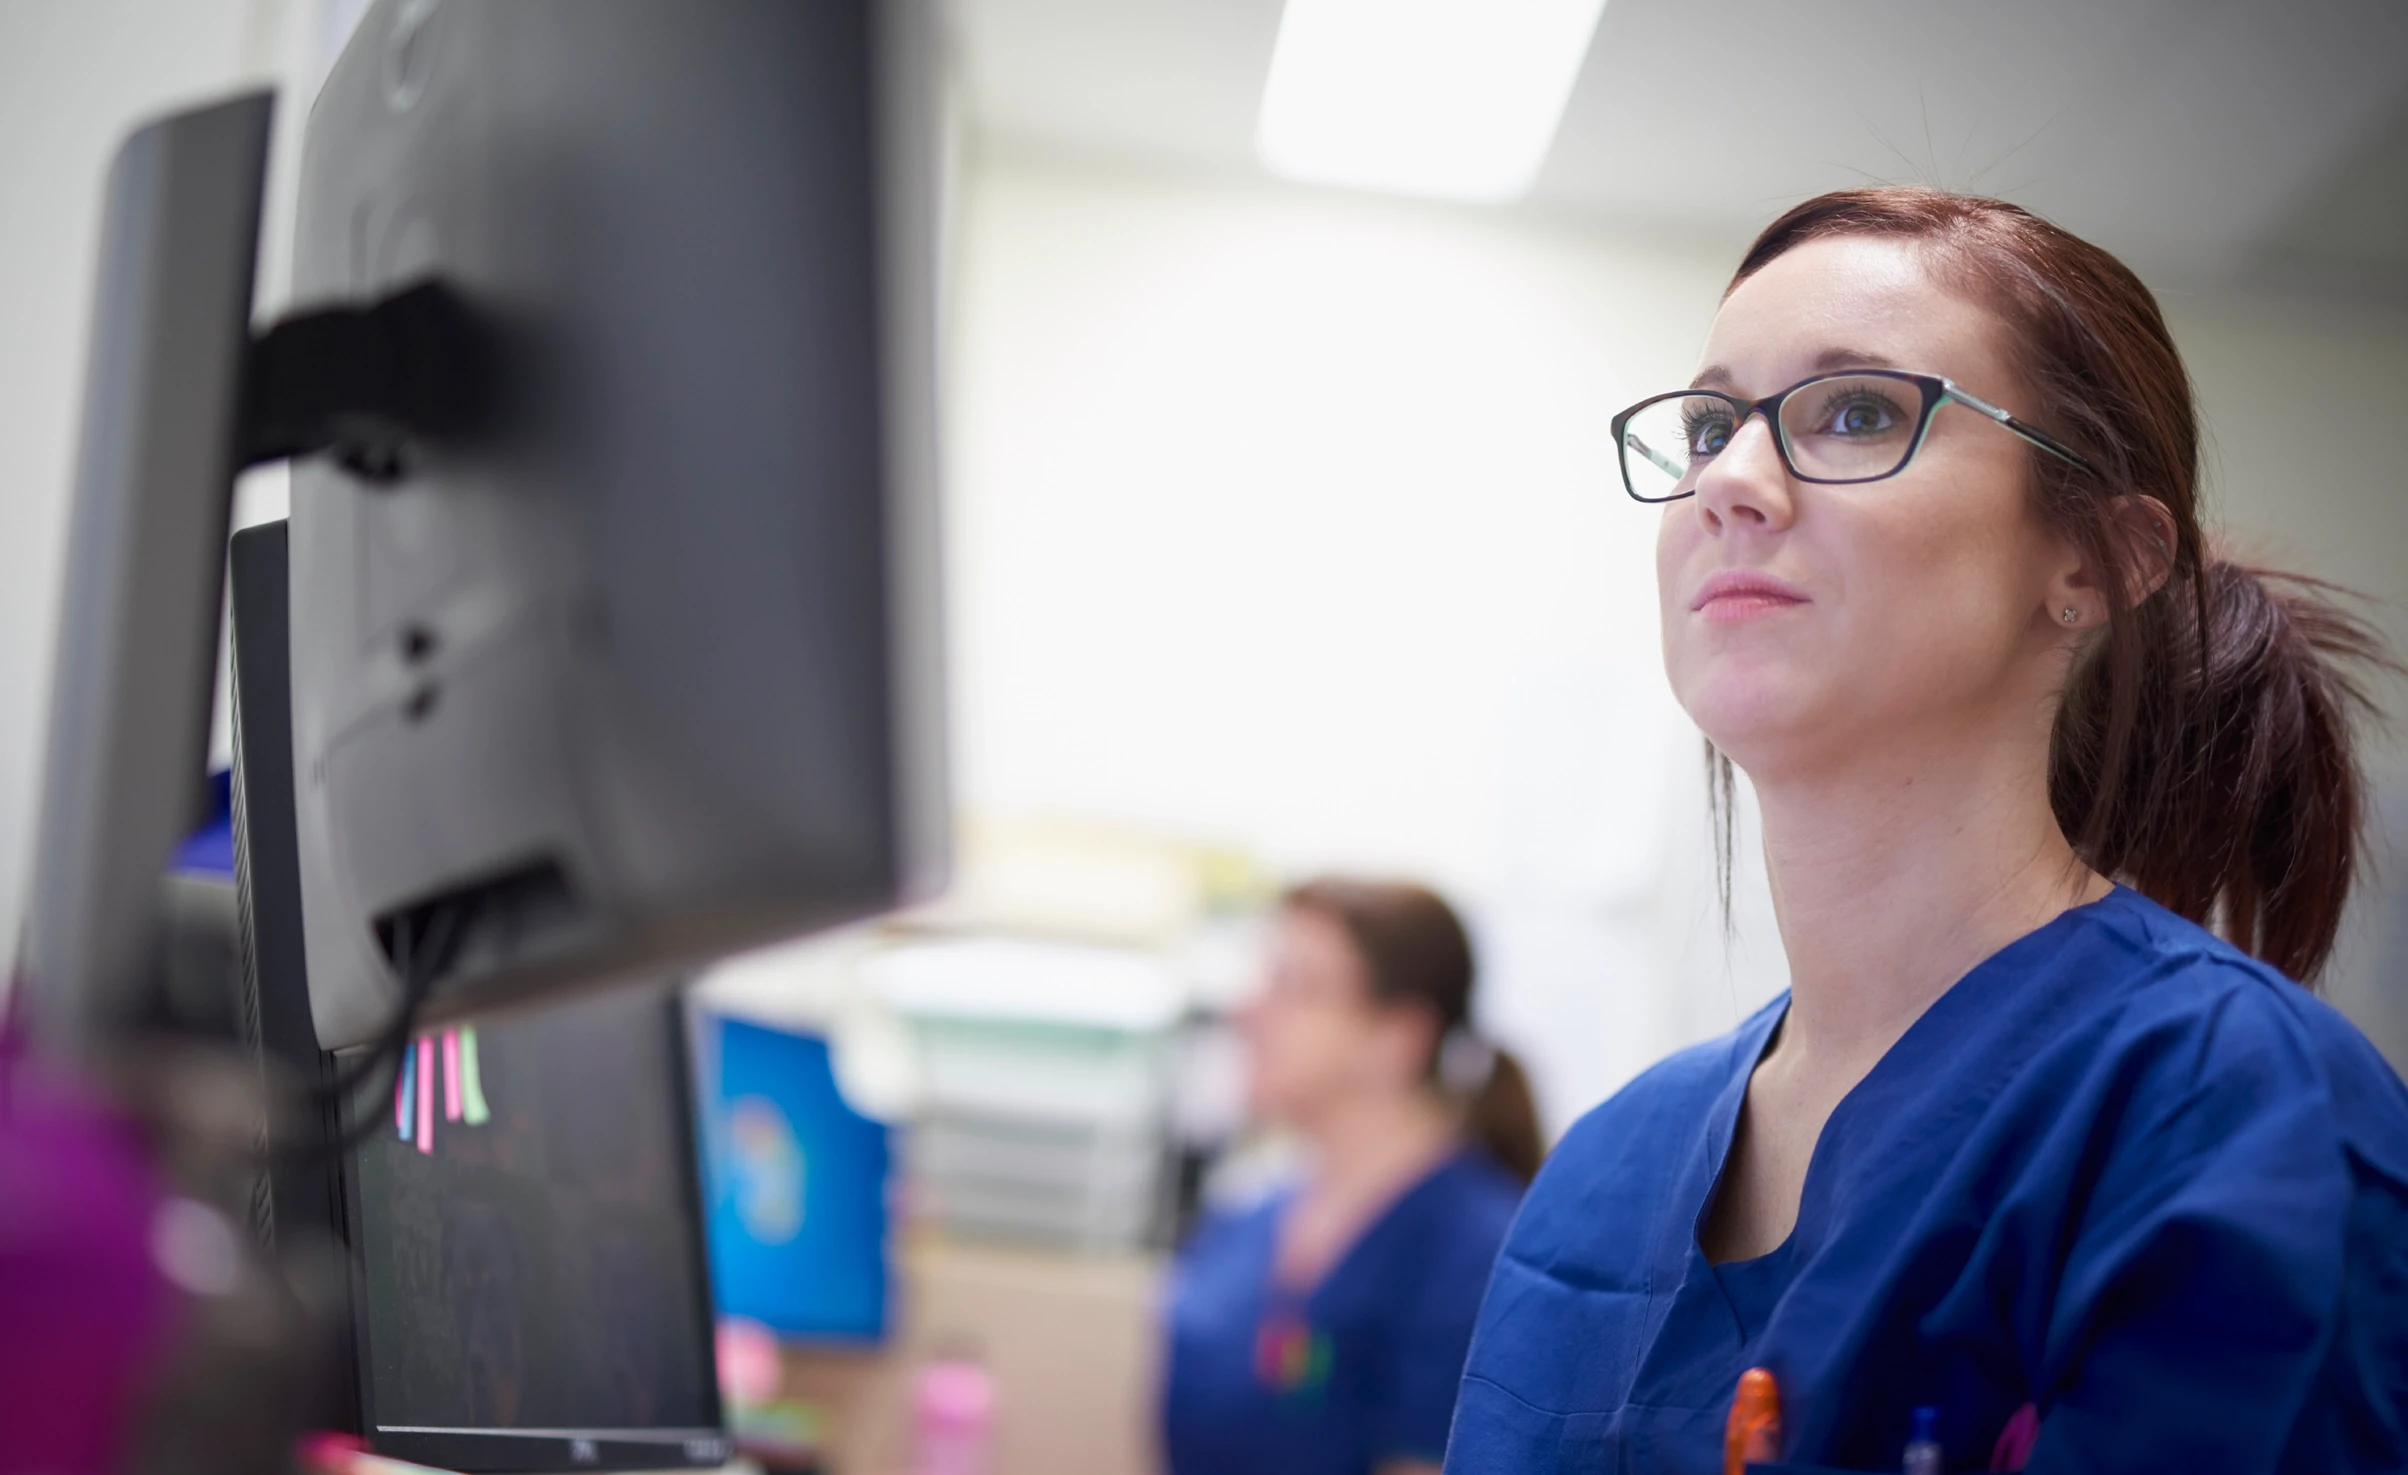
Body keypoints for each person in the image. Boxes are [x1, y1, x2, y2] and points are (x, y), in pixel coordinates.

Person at [1444, 189, 2408, 1474]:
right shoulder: (1606, 1170)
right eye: (1708, 425)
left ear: (2095, 563)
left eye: (1856, 412)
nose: (1732, 480)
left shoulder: (2224, 1107)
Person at [1162, 879, 1542, 1475]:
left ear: (1398, 1038)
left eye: (1296, 986)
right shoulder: (1246, 1220)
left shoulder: (1476, 1257)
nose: (1247, 1011)